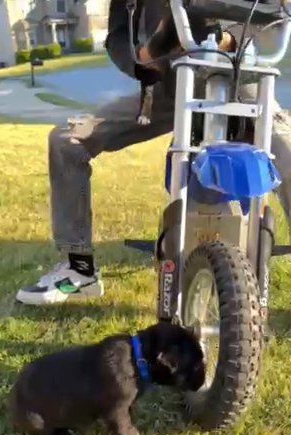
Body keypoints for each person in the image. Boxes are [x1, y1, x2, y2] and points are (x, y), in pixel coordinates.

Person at [16, 0, 291, 306]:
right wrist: (142, 60)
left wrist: (229, 39)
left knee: (288, 153)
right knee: (67, 140)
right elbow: (119, 39)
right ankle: (78, 268)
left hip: (240, 78)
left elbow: (269, 14)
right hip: (170, 88)